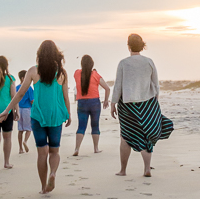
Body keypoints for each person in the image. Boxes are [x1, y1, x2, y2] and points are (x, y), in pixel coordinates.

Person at [0, 39, 70, 194]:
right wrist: (68, 114)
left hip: (38, 116)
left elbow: (20, 93)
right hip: (56, 115)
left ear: (39, 54)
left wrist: (7, 110)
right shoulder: (62, 73)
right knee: (54, 151)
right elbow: (65, 96)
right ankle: (53, 173)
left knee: (42, 153)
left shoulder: (33, 71)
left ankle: (43, 187)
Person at [111, 33, 173, 177]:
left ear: (129, 46)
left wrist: (113, 103)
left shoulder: (123, 63)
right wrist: (155, 102)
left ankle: (123, 170)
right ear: (142, 46)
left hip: (127, 105)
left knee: (126, 136)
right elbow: (156, 84)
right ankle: (147, 169)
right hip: (148, 104)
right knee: (146, 136)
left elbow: (118, 86)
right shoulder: (149, 62)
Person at [72, 54, 111, 156]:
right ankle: (96, 148)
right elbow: (107, 88)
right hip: (94, 103)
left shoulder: (77, 73)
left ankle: (77, 148)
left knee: (81, 126)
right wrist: (106, 100)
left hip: (81, 102)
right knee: (95, 125)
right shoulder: (95, 75)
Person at [15, 70, 34, 154]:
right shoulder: (28, 88)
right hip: (27, 109)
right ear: (23, 78)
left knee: (20, 130)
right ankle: (25, 141)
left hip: (19, 109)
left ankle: (20, 148)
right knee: (29, 128)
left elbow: (14, 100)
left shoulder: (16, 88)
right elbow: (32, 100)